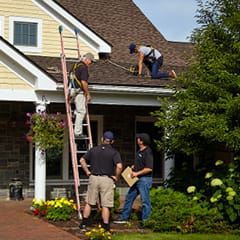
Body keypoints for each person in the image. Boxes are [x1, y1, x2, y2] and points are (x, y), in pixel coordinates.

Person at [79, 131, 123, 232]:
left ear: (102, 139)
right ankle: (106, 227)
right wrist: (116, 176)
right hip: (106, 179)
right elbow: (119, 166)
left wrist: (87, 172)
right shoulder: (114, 152)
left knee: (89, 202)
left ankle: (84, 224)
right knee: (105, 204)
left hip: (93, 177)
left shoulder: (93, 150)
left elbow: (82, 160)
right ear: (112, 141)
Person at [114, 133, 153, 225]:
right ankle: (124, 217)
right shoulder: (140, 151)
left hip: (144, 180)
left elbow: (149, 168)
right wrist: (134, 167)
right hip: (136, 180)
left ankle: (146, 221)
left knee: (145, 201)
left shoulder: (148, 152)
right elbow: (142, 164)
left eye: (138, 139)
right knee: (129, 197)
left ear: (142, 141)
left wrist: (136, 173)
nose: (137, 140)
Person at [69, 52, 96, 137]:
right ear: (86, 59)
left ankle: (74, 113)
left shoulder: (75, 66)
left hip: (70, 90)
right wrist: (88, 94)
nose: (91, 63)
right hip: (78, 91)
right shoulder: (83, 68)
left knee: (78, 110)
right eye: (91, 61)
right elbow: (83, 82)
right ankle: (77, 132)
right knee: (82, 111)